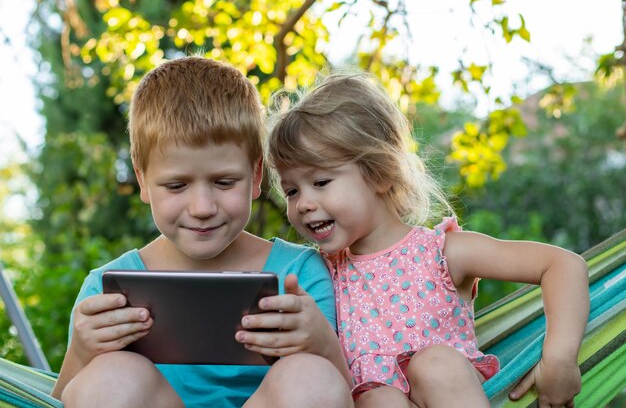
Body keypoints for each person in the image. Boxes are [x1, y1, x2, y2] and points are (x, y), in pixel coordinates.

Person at [266, 72, 590, 408]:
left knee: (435, 364)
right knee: (378, 399)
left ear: (380, 173)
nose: (302, 203)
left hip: (451, 393)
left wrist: (559, 360)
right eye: (291, 190)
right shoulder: (321, 273)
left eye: (320, 182)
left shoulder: (442, 252)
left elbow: (563, 265)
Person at [50, 56, 354, 408]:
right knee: (109, 378)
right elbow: (63, 399)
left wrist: (322, 343)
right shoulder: (105, 292)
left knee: (311, 376)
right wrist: (81, 353)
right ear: (143, 180)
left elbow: (336, 393)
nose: (202, 207)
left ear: (256, 176)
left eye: (224, 182)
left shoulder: (299, 274)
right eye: (177, 186)